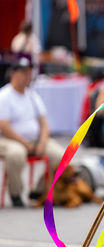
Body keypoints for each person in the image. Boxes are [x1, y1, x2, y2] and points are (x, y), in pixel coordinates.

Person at [0, 57, 64, 207]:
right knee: (16, 154)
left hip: (34, 140)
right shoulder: (4, 96)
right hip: (9, 139)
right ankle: (16, 193)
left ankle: (40, 190)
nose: (28, 76)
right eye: (24, 72)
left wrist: (41, 143)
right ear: (14, 74)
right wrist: (25, 143)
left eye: (29, 72)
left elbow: (44, 123)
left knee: (61, 156)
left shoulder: (32, 95)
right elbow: (4, 126)